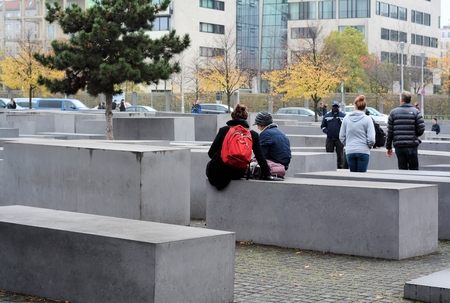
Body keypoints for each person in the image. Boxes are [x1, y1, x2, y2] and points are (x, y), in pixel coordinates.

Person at [206, 104, 276, 190]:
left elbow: (210, 153)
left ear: (232, 118)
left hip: (220, 171)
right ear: (246, 119)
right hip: (238, 172)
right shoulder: (252, 134)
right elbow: (260, 157)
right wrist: (268, 175)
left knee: (210, 165)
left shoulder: (224, 130)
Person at [385, 91, 425, 170]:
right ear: (410, 100)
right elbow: (421, 130)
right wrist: (413, 135)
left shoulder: (393, 113)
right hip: (412, 145)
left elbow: (390, 132)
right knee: (414, 169)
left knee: (402, 169)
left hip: (399, 146)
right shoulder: (416, 112)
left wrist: (388, 147)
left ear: (401, 100)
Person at [339, 95, 375, 172]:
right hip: (363, 150)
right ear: (365, 107)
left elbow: (341, 136)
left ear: (354, 106)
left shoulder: (346, 118)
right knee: (361, 177)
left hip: (350, 150)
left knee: (353, 176)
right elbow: (371, 139)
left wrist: (348, 144)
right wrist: (367, 146)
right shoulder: (368, 119)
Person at [321, 100, 346, 169]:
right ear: (332, 107)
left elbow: (347, 126)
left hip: (339, 139)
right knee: (329, 153)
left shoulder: (343, 116)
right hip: (330, 138)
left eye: (336, 106)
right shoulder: (327, 116)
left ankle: (340, 167)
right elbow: (323, 126)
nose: (335, 108)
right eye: (334, 106)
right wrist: (327, 131)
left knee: (340, 154)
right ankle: (328, 167)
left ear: (338, 107)